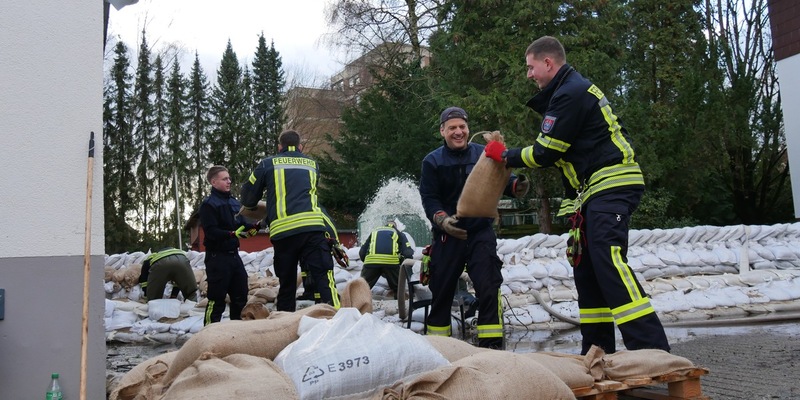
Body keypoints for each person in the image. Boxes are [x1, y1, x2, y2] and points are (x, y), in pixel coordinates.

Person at [484, 35, 670, 354]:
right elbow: (566, 157)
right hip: (593, 191)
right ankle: (597, 351)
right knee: (586, 270)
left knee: (606, 258)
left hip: (611, 183)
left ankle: (651, 350)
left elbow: (546, 152)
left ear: (548, 63)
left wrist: (504, 155)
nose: (528, 75)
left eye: (530, 67)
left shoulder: (569, 94)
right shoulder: (566, 92)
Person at [419, 106, 529, 349]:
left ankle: (491, 348)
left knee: (488, 288)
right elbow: (429, 198)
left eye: (462, 127)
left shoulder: (484, 154)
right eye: (452, 128)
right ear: (442, 131)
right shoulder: (432, 161)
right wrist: (442, 220)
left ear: (468, 129)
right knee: (442, 294)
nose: (458, 132)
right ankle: (440, 349)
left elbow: (502, 178)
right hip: (448, 236)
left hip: (480, 233)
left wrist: (516, 186)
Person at [240, 130, 340, 312]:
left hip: (284, 234)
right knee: (324, 278)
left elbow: (248, 199)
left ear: (280, 147)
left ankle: (285, 326)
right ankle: (337, 322)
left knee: (286, 285)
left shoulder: (266, 164)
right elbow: (305, 196)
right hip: (313, 229)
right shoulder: (313, 164)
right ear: (300, 147)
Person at [199, 165, 261, 325]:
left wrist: (255, 226)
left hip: (234, 257)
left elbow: (242, 224)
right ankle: (208, 333)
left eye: (229, 178)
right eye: (224, 179)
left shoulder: (234, 203)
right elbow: (211, 231)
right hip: (217, 258)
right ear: (213, 182)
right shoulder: (208, 204)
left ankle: (235, 332)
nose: (229, 181)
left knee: (240, 296)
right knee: (216, 299)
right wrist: (231, 234)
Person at [298, 207, 349, 302]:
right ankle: (311, 294)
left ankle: (330, 301)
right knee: (307, 271)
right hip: (308, 243)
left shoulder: (315, 207)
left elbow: (329, 223)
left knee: (321, 271)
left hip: (320, 243)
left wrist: (335, 242)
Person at [358, 220, 414, 298]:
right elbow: (407, 253)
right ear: (395, 226)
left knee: (362, 287)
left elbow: (362, 252)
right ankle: (399, 305)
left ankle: (356, 306)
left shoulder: (375, 231)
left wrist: (367, 264)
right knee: (398, 289)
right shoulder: (398, 233)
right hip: (391, 263)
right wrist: (405, 266)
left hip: (371, 262)